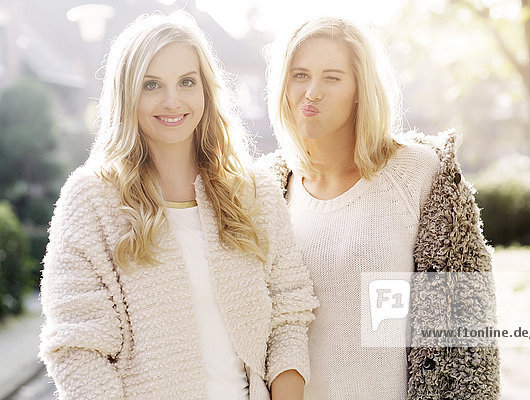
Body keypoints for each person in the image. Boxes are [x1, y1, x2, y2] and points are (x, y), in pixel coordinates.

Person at [39, 11, 318, 400]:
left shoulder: (254, 193)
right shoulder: (91, 200)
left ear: (205, 89)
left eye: (187, 82)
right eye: (152, 84)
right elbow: (77, 348)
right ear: (127, 94)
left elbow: (289, 310)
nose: (172, 101)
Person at [261, 17, 500, 399]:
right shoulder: (268, 190)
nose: (312, 92)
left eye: (332, 77)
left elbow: (468, 336)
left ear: (360, 89)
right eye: (300, 75)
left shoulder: (422, 174)